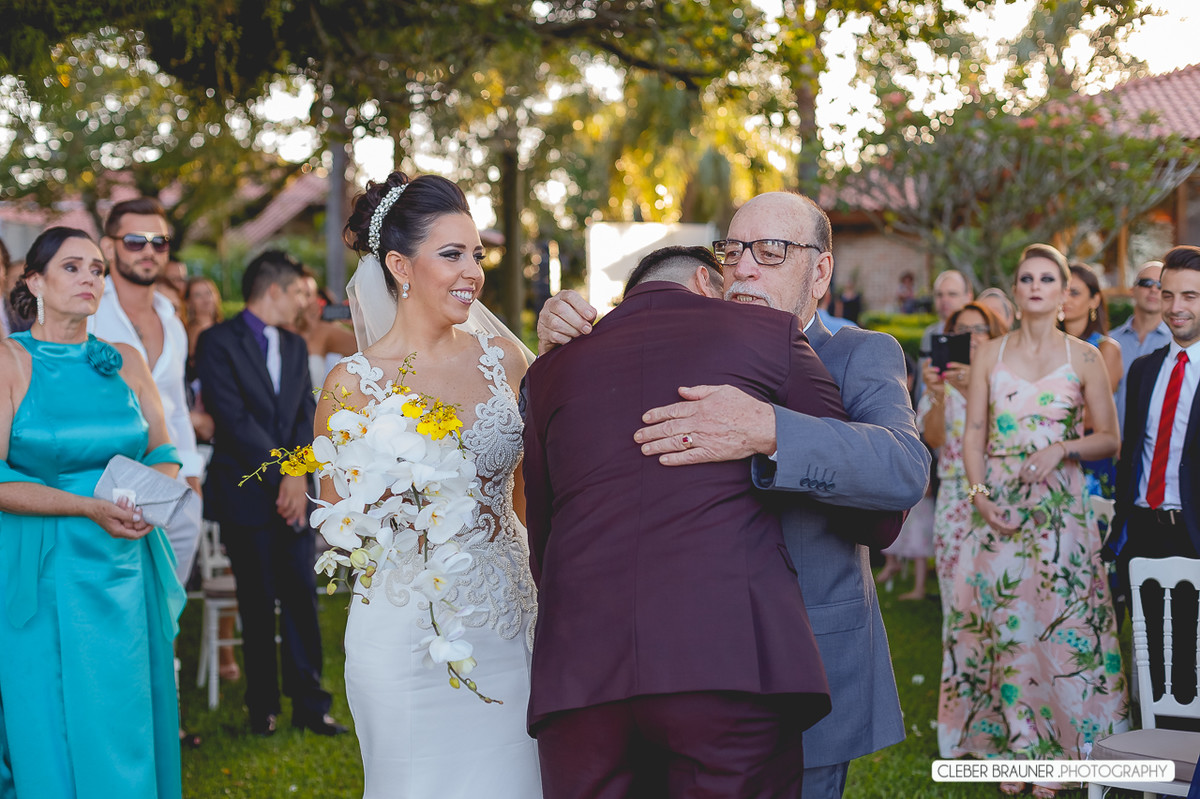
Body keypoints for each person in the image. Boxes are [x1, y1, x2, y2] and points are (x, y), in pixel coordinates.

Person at [537, 191, 929, 799]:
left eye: (771, 252)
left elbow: (903, 468)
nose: (744, 267)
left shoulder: (858, 355)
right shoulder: (677, 345)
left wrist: (771, 431)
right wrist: (566, 343)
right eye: (734, 250)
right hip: (674, 667)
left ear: (820, 271)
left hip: (811, 660)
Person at [525, 245, 846, 798]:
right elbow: (847, 470)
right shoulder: (766, 333)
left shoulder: (550, 368)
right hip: (727, 663)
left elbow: (543, 536)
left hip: (579, 675)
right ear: (704, 280)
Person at [330, 171, 539, 798]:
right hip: (403, 630)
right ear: (399, 265)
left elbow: (529, 496)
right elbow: (343, 526)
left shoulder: (507, 362)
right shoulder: (353, 384)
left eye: (476, 254)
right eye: (451, 254)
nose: (471, 271)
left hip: (507, 617)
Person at [0, 227, 185, 797]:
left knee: (123, 702)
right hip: (44, 560)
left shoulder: (125, 360)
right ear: (35, 281)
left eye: (98, 269)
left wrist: (151, 498)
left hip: (125, 558)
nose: (89, 279)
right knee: (49, 709)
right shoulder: (10, 359)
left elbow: (164, 451)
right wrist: (87, 506)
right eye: (72, 267)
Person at [948, 243, 1126, 796]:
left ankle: (1066, 753)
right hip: (999, 506)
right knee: (1009, 629)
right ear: (1018, 287)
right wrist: (979, 495)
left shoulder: (1086, 358)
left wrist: (1062, 449)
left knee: (1064, 628)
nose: (1035, 286)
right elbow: (973, 433)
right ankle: (1019, 746)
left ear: (1063, 289)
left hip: (1062, 513)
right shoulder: (989, 355)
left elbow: (1111, 439)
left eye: (1048, 278)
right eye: (1026, 277)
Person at [195, 250, 346, 737]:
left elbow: (304, 413)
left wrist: (298, 476)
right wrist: (287, 472)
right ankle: (262, 707)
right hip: (244, 491)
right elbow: (233, 419)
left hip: (293, 493)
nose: (303, 303)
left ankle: (310, 704)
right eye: (297, 293)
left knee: (301, 597)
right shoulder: (217, 341)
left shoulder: (296, 346)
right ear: (273, 291)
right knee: (256, 601)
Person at [90, 197, 204, 580]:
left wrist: (191, 473)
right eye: (135, 241)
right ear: (109, 247)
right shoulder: (87, 310)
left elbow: (176, 406)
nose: (149, 251)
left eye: (160, 242)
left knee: (170, 604)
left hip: (173, 483)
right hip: (104, 483)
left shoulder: (172, 320)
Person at [1112, 244, 1200, 707]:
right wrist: (1118, 530)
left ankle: (1188, 771)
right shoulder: (1145, 369)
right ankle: (1154, 754)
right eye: (1168, 295)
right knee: (1149, 659)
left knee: (1191, 660)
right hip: (1144, 530)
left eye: (1190, 296)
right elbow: (1132, 457)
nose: (1176, 307)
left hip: (1193, 532)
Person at [916, 301, 1007, 617]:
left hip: (1000, 490)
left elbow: (1007, 434)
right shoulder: (941, 381)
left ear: (993, 334)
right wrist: (939, 393)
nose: (972, 336)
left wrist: (972, 389)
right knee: (956, 590)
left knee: (1001, 590)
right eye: (963, 330)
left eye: (980, 329)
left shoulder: (1006, 379)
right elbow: (934, 439)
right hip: (954, 494)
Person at [1060, 262, 1122, 503]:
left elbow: (1094, 416)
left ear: (1094, 300)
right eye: (1063, 291)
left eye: (1075, 292)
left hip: (1089, 455)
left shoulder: (1106, 349)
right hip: (1042, 455)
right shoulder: (1046, 349)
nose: (1066, 299)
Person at [1110, 260, 1171, 429]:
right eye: (1146, 283)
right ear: (1132, 290)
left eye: (1160, 285)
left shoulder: (1177, 344)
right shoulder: (1110, 341)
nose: (1153, 289)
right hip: (1114, 447)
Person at [293, 269, 357, 390]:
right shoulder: (273, 328)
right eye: (299, 292)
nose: (305, 302)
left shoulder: (323, 331)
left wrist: (359, 325)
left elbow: (368, 348)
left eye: (309, 294)